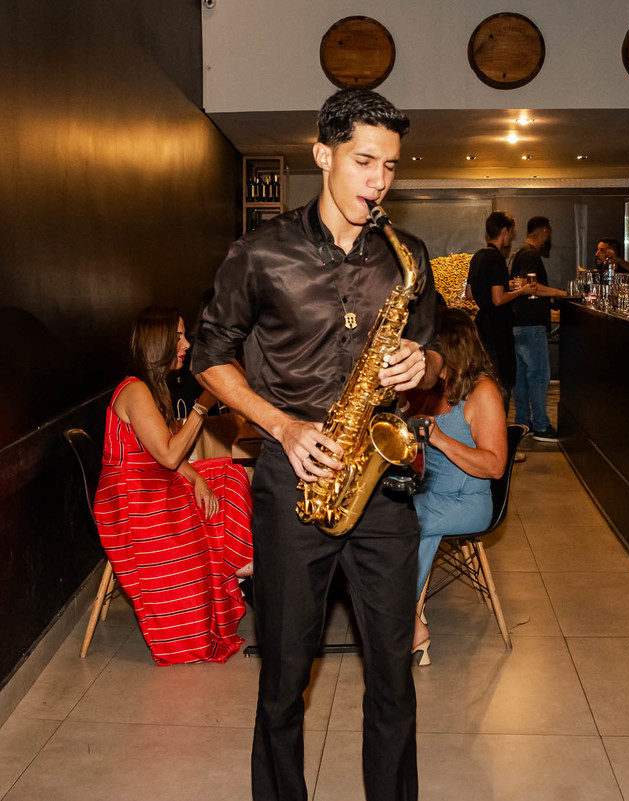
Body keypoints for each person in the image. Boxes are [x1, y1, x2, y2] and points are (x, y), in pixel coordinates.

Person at [192, 88, 443, 801]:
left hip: (382, 485)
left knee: (392, 675)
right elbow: (208, 357)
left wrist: (421, 366)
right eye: (364, 161)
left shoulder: (407, 257)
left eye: (390, 166)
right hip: (292, 477)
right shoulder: (259, 252)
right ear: (323, 155)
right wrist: (283, 425)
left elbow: (436, 359)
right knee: (283, 676)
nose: (378, 180)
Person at [93, 306, 254, 666]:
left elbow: (164, 454)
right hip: (133, 503)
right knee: (220, 482)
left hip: (152, 484)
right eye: (178, 337)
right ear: (159, 342)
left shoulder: (149, 388)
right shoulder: (135, 391)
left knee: (226, 474)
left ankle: (238, 561)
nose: (186, 344)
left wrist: (198, 479)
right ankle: (238, 564)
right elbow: (168, 456)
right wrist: (203, 404)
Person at [408, 307, 508, 665]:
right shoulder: (439, 387)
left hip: (468, 502)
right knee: (385, 514)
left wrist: (439, 438)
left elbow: (495, 466)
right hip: (430, 494)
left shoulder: (483, 392)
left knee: (404, 524)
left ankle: (405, 621)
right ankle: (408, 618)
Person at [509, 215, 566, 443]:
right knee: (539, 376)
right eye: (549, 232)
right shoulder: (531, 255)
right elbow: (529, 285)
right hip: (532, 325)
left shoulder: (517, 253)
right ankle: (541, 425)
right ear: (544, 231)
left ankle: (524, 423)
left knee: (521, 378)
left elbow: (519, 285)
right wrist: (560, 293)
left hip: (517, 323)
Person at [466, 211, 527, 402]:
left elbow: (469, 293)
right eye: (510, 233)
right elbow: (498, 299)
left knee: (485, 377)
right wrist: (522, 291)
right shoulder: (497, 258)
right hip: (498, 328)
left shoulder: (477, 257)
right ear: (504, 231)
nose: (510, 237)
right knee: (503, 381)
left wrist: (505, 286)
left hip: (481, 326)